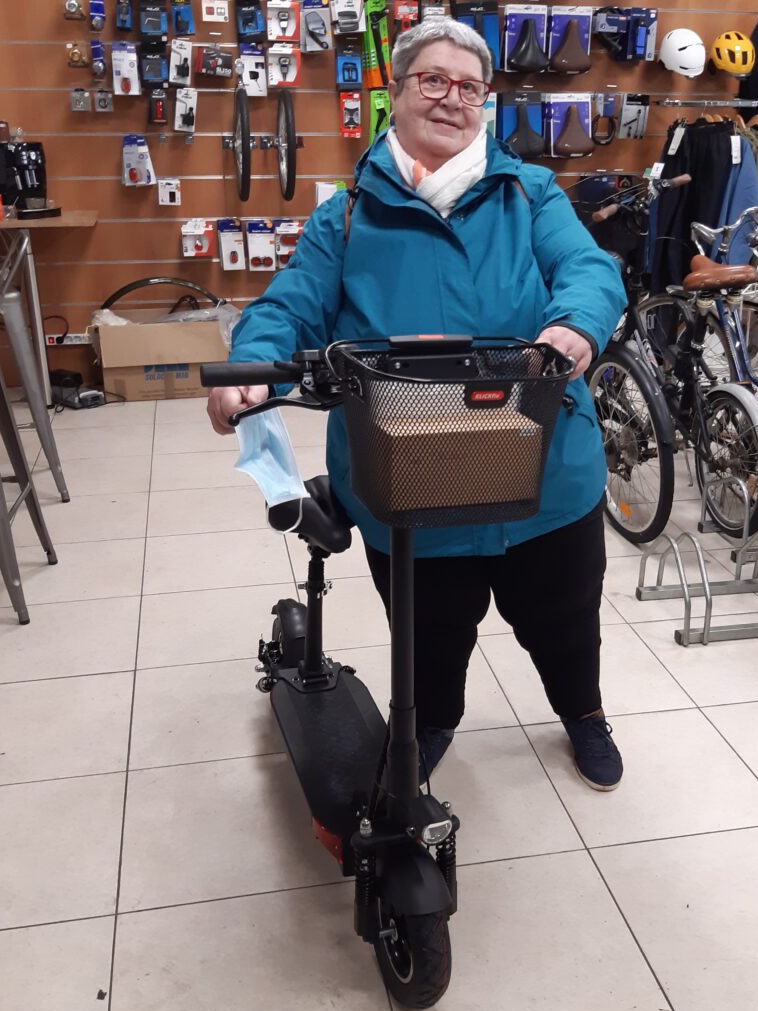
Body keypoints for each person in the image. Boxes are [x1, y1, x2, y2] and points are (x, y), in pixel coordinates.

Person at [208, 17, 627, 790]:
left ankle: (584, 713)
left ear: (485, 103)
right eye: (432, 79)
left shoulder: (532, 192)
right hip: (410, 475)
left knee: (564, 620)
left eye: (469, 86)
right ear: (394, 92)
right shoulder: (345, 216)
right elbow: (291, 302)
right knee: (429, 631)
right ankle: (433, 721)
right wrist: (252, 366)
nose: (452, 98)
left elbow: (587, 268)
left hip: (544, 468)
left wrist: (575, 325)